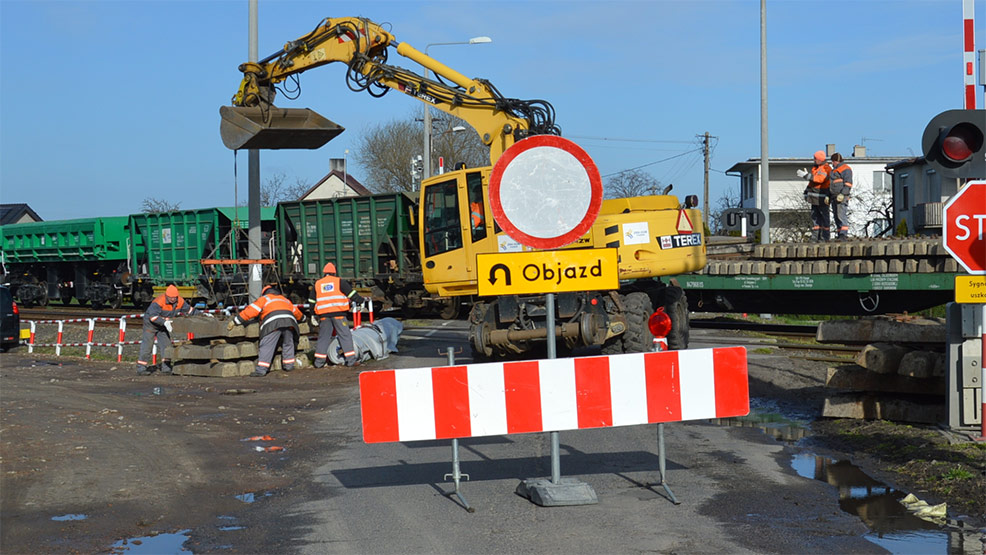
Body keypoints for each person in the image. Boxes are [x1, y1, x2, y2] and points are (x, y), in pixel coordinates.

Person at [228, 284, 303, 377]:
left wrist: (236, 321)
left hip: (273, 323)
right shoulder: (284, 299)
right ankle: (289, 365)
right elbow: (296, 312)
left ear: (264, 293)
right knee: (288, 343)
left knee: (267, 345)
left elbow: (251, 311)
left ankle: (261, 370)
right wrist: (303, 319)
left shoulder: (264, 299)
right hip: (290, 323)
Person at [310, 262, 365, 367]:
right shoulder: (339, 282)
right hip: (339, 315)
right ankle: (351, 361)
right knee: (345, 336)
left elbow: (311, 301)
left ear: (324, 273)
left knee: (323, 337)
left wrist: (313, 314)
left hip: (324, 316)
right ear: (334, 273)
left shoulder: (318, 284)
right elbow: (352, 294)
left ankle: (318, 363)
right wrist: (361, 301)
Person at [136, 284, 199, 376]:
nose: (173, 299)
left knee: (166, 346)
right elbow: (152, 317)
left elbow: (190, 311)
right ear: (167, 296)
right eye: (171, 298)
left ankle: (166, 367)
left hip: (163, 325)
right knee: (147, 345)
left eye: (175, 297)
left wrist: (203, 315)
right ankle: (141, 368)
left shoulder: (180, 301)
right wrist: (164, 322)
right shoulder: (158, 302)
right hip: (151, 325)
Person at [798, 150, 832, 241]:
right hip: (814, 197)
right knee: (815, 218)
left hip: (822, 197)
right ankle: (815, 238)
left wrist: (806, 176)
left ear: (820, 159)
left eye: (815, 158)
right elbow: (812, 183)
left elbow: (820, 179)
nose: (814, 160)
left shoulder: (826, 168)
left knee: (824, 217)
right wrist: (806, 192)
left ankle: (824, 237)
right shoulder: (816, 168)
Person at [828, 153, 853, 240]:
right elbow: (831, 185)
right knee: (836, 216)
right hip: (835, 196)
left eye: (832, 161)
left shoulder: (846, 169)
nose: (832, 163)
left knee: (841, 215)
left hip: (842, 196)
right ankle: (840, 233)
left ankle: (843, 234)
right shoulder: (834, 170)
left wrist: (843, 194)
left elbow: (848, 184)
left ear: (836, 161)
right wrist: (829, 195)